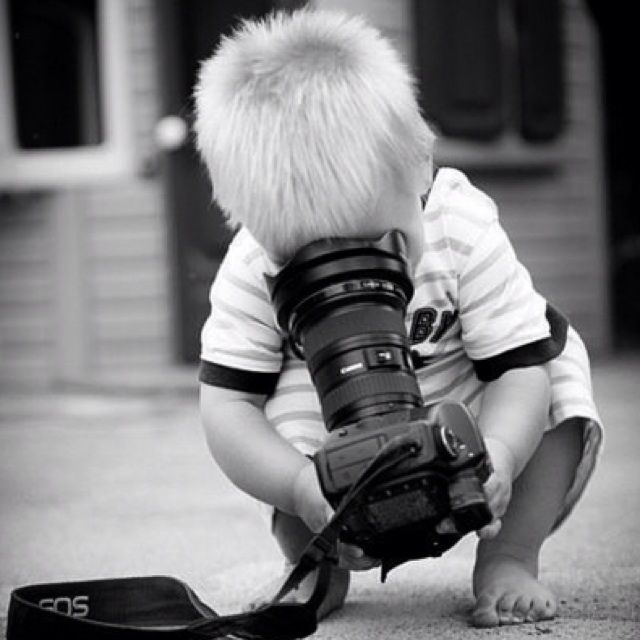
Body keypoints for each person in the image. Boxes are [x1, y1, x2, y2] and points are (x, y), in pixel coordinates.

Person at [193, 9, 603, 627]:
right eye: (310, 263)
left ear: (419, 163)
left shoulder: (461, 226)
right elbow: (226, 409)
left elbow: (519, 371)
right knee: (276, 420)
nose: (352, 274)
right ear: (250, 221)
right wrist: (300, 486)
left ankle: (509, 557)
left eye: (378, 246)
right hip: (335, 426)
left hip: (460, 398)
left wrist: (499, 452)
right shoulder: (253, 266)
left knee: (556, 365)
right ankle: (316, 566)